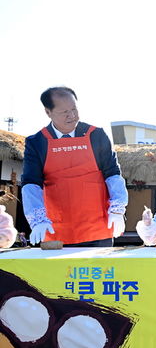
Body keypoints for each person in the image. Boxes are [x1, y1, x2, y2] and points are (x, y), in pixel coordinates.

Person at [21, 87, 128, 247]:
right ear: (48, 112)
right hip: (56, 229)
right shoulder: (37, 142)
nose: (71, 116)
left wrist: (118, 210)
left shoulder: (96, 135)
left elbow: (112, 174)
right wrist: (37, 220)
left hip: (98, 227)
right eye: (64, 112)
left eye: (74, 109)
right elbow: (31, 183)